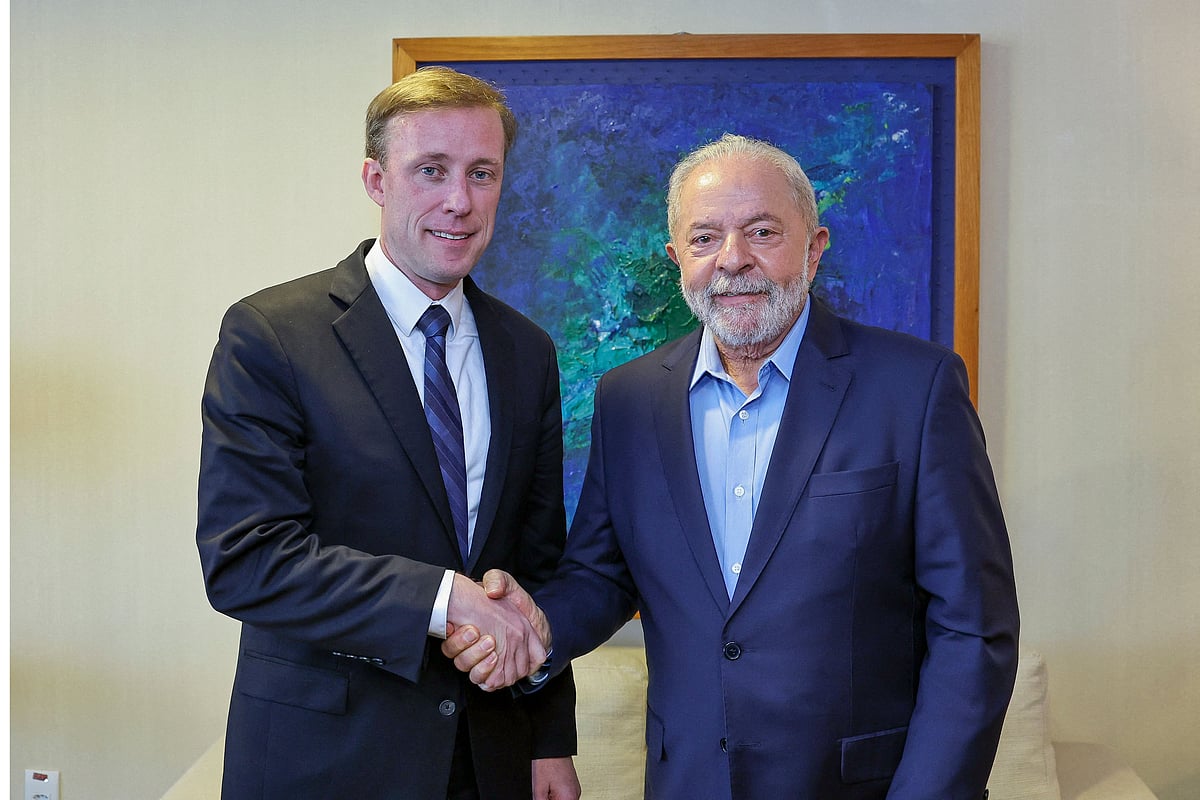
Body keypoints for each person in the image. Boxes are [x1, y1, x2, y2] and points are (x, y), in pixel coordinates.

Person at [445, 134, 1020, 799]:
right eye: (704, 238)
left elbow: (974, 629)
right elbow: (602, 575)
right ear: (675, 259)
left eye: (763, 232)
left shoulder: (915, 389)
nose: (733, 260)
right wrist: (535, 626)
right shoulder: (630, 399)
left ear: (814, 247)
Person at [196, 66, 580, 800]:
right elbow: (246, 559)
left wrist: (549, 739)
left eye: (482, 172)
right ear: (376, 180)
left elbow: (537, 562)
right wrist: (446, 600)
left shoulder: (527, 352)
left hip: (486, 758)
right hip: (325, 760)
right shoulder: (272, 334)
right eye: (430, 170)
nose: (459, 201)